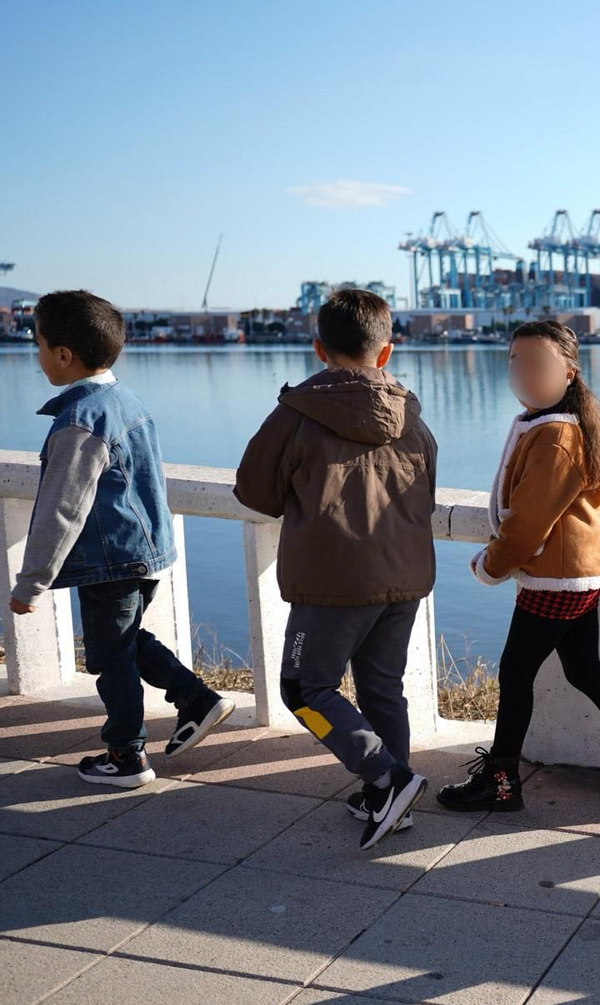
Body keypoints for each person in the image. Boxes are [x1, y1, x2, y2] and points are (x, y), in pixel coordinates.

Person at [437, 320, 600, 812]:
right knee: (584, 669)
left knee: (515, 672)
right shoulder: (553, 426)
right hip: (573, 575)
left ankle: (501, 783)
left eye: (538, 365)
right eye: (516, 363)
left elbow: (528, 524)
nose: (524, 374)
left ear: (569, 373)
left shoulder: (555, 437)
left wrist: (491, 564)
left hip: (557, 578)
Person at [233, 288, 434, 849]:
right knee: (382, 689)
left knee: (303, 688)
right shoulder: (411, 415)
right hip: (405, 575)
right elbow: (427, 491)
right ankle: (389, 797)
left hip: (332, 581)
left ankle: (389, 780)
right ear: (386, 352)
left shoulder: (297, 414)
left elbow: (255, 490)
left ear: (319, 348)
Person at [8, 290, 234, 788]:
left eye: (39, 345)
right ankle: (196, 698)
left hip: (111, 557)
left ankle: (127, 757)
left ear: (63, 355)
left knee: (111, 658)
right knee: (123, 640)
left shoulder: (79, 421)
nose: (37, 354)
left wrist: (31, 583)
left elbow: (61, 509)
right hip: (144, 550)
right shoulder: (126, 399)